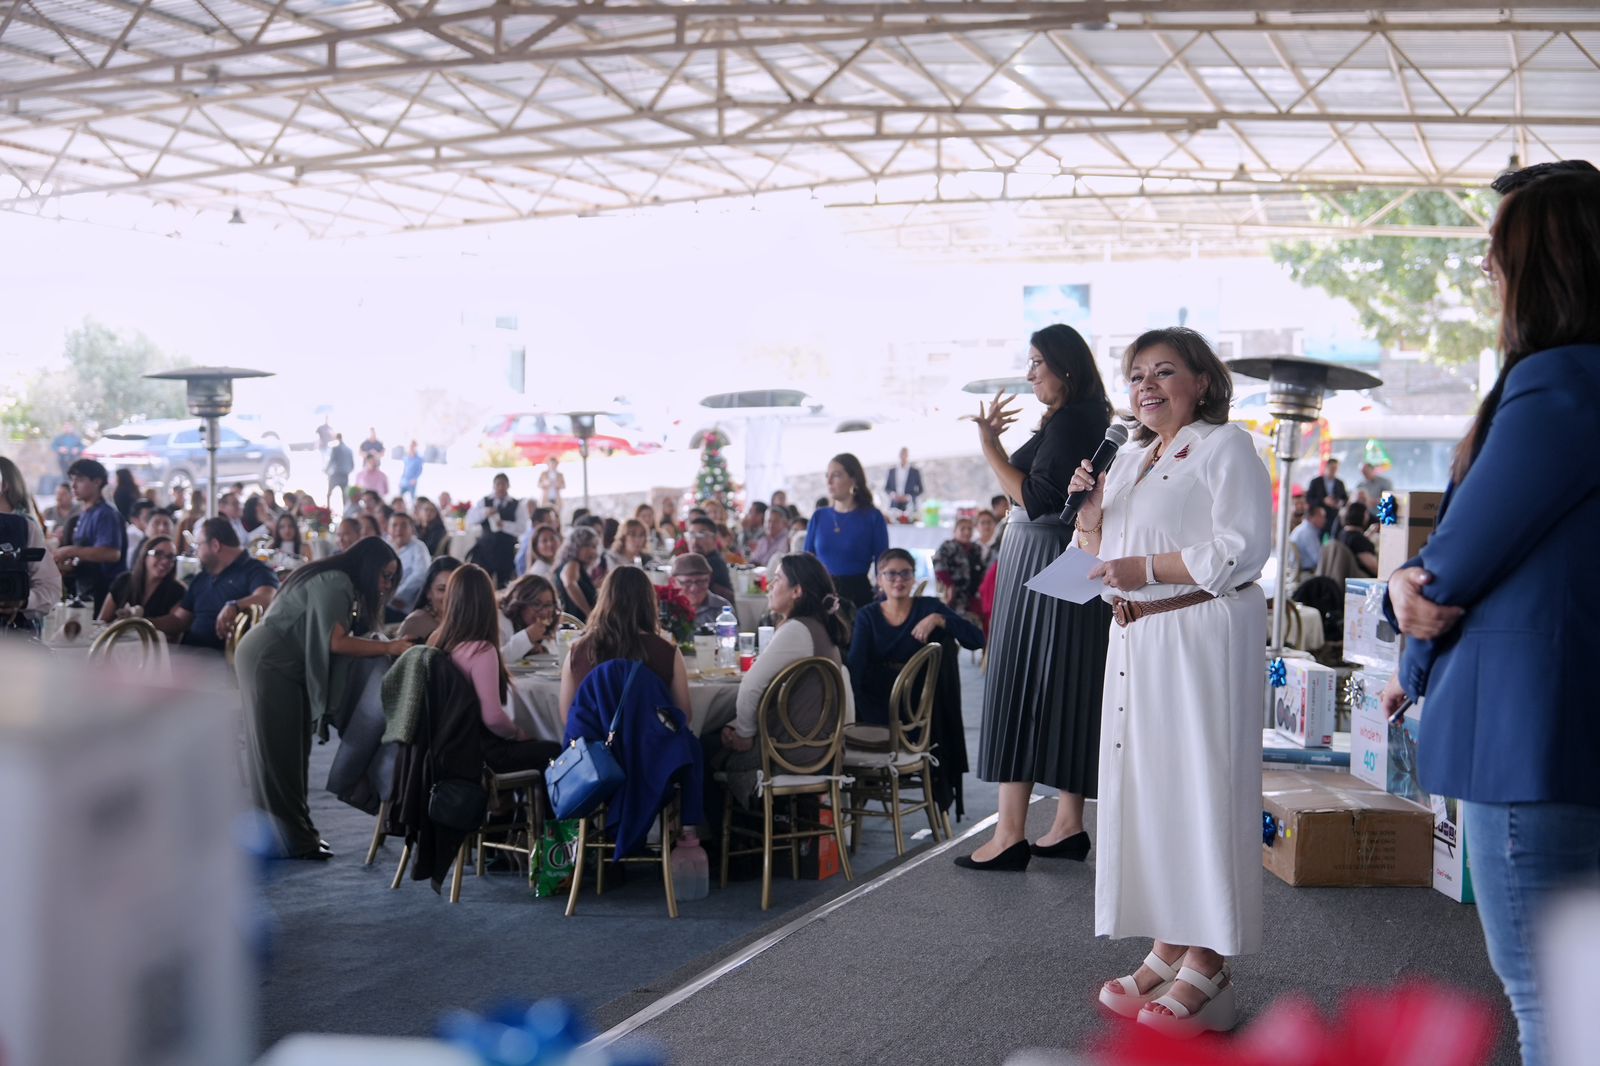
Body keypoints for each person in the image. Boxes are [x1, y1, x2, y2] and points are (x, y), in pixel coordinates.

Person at [1377, 169, 1600, 1066]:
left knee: (1553, 1001)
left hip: (1530, 737)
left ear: (1540, 267)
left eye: (1494, 256)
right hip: (1564, 726)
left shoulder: (1561, 385)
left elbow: (1451, 569)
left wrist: (1407, 636)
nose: (1485, 275)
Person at [1068, 326, 1270, 1034]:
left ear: (1202, 382)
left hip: (1197, 632)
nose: (1146, 386)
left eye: (1163, 372)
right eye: (1136, 375)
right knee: (1148, 791)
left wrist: (1148, 569)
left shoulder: (1224, 446)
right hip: (1134, 637)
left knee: (1200, 787)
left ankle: (1208, 958)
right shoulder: (1125, 458)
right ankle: (1166, 943)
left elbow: (1243, 548)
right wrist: (1090, 524)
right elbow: (1090, 564)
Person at [959, 323, 1114, 873]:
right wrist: (1000, 449)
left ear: (1064, 367)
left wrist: (987, 445)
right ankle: (1069, 824)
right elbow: (1026, 484)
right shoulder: (1085, 416)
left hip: (1042, 555)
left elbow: (1033, 495)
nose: (1029, 376)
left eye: (1035, 364)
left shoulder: (1073, 420)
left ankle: (1009, 834)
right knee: (1071, 688)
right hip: (1067, 556)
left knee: (1019, 683)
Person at [236, 538, 410, 859]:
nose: (387, 584)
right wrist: (389, 647)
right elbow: (337, 642)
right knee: (279, 755)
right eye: (384, 575)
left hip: (282, 664)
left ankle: (293, 832)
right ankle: (293, 839)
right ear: (367, 566)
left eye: (391, 578)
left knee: (291, 752)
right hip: (270, 662)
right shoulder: (336, 582)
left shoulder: (339, 580)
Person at [702, 552, 852, 812]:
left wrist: (745, 735)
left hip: (790, 751)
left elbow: (751, 687)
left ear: (797, 591)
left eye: (777, 579)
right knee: (718, 737)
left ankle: (715, 843)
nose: (770, 586)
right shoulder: (820, 626)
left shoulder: (797, 629)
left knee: (700, 745)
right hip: (819, 746)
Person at [431, 564, 562, 774]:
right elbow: (493, 717)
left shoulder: (440, 641)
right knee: (554, 749)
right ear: (487, 602)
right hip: (483, 753)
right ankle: (543, 807)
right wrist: (519, 733)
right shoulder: (482, 651)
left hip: (452, 745)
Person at [849, 548, 983, 726]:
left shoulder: (928, 607)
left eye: (906, 573)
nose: (899, 580)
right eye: (891, 574)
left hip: (920, 701)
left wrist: (940, 619)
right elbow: (856, 667)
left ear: (914, 578)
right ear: (879, 580)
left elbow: (977, 640)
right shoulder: (867, 615)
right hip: (877, 698)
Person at [558, 566, 691, 723]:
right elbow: (684, 715)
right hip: (651, 746)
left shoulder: (578, 651)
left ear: (603, 600)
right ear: (649, 602)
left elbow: (567, 717)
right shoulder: (667, 652)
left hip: (593, 743)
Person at [152, 518, 280, 649]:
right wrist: (143, 624)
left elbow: (268, 597)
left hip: (227, 660)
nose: (196, 552)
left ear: (215, 545)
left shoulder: (256, 570)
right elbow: (179, 620)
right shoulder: (202, 577)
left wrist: (235, 606)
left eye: (198, 545)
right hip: (190, 656)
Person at [802, 453, 889, 610]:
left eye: (836, 476)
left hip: (857, 595)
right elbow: (807, 561)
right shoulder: (819, 516)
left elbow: (883, 563)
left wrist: (883, 595)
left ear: (853, 479)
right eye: (827, 476)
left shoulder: (872, 517)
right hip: (822, 595)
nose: (829, 482)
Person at [53, 458, 127, 612]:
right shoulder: (85, 513)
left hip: (104, 591)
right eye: (72, 480)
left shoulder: (105, 514)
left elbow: (111, 553)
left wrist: (69, 551)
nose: (73, 486)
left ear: (97, 482)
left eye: (79, 480)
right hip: (86, 589)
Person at [0, 455, 61, 628]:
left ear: (4, 485)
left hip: (13, 639)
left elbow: (50, 587)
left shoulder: (24, 528)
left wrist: (23, 601)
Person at [98, 535, 185, 624]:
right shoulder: (124, 581)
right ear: (145, 556)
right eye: (158, 554)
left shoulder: (177, 591)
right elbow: (102, 621)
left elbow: (173, 631)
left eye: (170, 557)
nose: (165, 561)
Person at [466, 473, 525, 587]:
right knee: (481, 582)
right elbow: (470, 519)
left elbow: (522, 528)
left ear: (508, 486)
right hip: (485, 549)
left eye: (503, 484)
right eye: (498, 484)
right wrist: (485, 512)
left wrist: (504, 525)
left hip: (506, 550)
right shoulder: (484, 501)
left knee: (505, 583)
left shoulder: (516, 504)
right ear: (494, 486)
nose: (501, 488)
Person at [381, 512, 432, 622]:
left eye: (404, 525)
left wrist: (397, 596)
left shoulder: (419, 548)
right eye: (394, 525)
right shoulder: (386, 546)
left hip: (405, 606)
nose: (399, 529)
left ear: (412, 529)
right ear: (388, 529)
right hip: (383, 600)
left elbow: (420, 575)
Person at [398, 555, 462, 642]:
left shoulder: (469, 620)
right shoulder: (417, 622)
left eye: (455, 589)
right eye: (442, 589)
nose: (449, 596)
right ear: (428, 592)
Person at [498, 572, 560, 660]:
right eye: (536, 604)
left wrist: (543, 649)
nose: (543, 612)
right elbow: (496, 660)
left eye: (548, 605)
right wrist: (527, 637)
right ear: (520, 604)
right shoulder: (501, 621)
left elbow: (556, 653)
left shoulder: (547, 623)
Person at [932, 516, 986, 615]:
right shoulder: (948, 546)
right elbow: (939, 566)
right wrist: (949, 585)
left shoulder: (976, 548)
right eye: (962, 529)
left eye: (969, 529)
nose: (966, 532)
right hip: (952, 594)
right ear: (955, 531)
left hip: (972, 595)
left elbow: (982, 570)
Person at [669, 552, 732, 626]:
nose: (694, 588)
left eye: (701, 581)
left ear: (709, 579)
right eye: (687, 582)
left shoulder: (722, 608)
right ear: (673, 582)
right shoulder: (667, 608)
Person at [554, 525, 601, 620]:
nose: (593, 551)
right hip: (576, 624)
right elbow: (570, 584)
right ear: (576, 546)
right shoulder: (573, 563)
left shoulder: (578, 567)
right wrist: (589, 613)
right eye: (588, 546)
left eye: (595, 547)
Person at [685, 516, 736, 603]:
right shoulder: (702, 561)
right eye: (691, 535)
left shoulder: (711, 564)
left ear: (715, 539)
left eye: (701, 535)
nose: (694, 541)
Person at [1336, 501, 1379, 577]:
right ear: (1362, 516)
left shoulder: (1342, 534)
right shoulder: (1358, 540)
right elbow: (1374, 568)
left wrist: (1368, 534)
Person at [1305, 458, 1347, 532]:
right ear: (1326, 467)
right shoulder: (1316, 482)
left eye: (1335, 468)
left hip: (1334, 516)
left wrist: (1338, 503)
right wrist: (1323, 501)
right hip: (1318, 517)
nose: (1333, 471)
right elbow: (1309, 499)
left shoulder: (1340, 483)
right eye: (1332, 468)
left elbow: (1345, 499)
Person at [885, 447, 924, 513]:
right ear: (899, 455)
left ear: (908, 456)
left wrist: (909, 497)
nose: (903, 456)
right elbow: (886, 488)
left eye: (905, 454)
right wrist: (893, 495)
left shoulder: (915, 471)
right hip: (894, 504)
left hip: (910, 505)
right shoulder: (892, 471)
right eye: (902, 454)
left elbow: (921, 489)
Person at [1289, 505, 1327, 574]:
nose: (1324, 520)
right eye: (1322, 516)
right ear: (1312, 517)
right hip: (1306, 573)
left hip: (1297, 571)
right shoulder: (1308, 532)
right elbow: (1318, 559)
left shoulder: (1304, 528)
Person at [325, 433, 355, 510]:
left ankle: (328, 509)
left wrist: (326, 470)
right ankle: (345, 510)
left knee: (329, 494)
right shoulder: (349, 449)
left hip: (336, 474)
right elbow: (352, 465)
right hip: (345, 474)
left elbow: (331, 461)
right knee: (345, 495)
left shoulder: (336, 448)